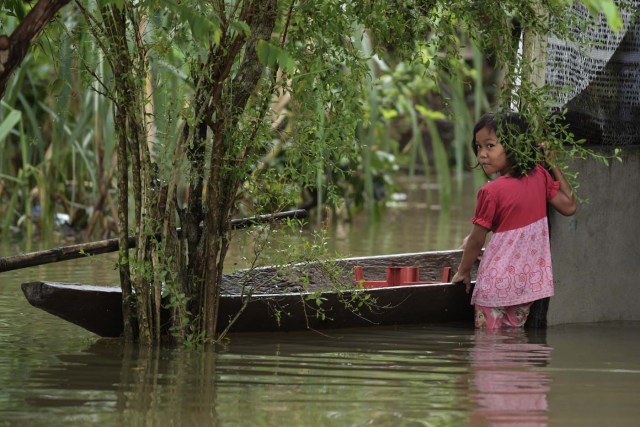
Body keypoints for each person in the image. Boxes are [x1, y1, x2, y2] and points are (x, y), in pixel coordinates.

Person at [452, 111, 577, 330]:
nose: (482, 155)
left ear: (514, 145)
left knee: (487, 349)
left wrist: (463, 271)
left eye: (490, 146)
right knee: (513, 347)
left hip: (496, 285)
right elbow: (570, 205)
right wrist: (552, 164)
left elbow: (476, 240)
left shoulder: (491, 191)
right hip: (527, 287)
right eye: (479, 147)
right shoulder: (540, 175)